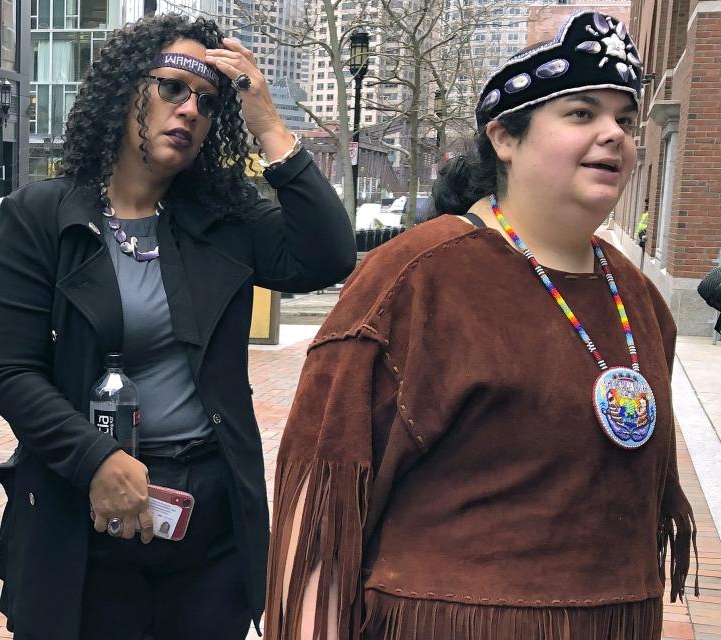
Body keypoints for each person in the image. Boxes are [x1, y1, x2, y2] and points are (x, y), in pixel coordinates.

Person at [266, 11, 697, 639]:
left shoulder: (638, 296)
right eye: (581, 114)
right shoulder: (417, 276)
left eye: (625, 120)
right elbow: (325, 505)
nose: (615, 136)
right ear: (504, 138)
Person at [0, 13, 355, 640]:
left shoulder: (223, 220)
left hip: (206, 523)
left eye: (208, 102)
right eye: (172, 88)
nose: (189, 110)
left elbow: (328, 255)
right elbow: (11, 370)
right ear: (128, 88)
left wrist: (267, 123)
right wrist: (96, 461)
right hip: (84, 515)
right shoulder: (43, 216)